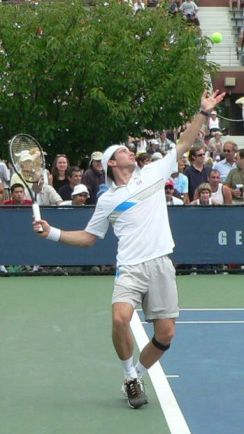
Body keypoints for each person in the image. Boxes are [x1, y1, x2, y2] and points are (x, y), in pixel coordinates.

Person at [33, 90, 225, 409]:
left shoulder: (154, 172)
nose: (130, 152)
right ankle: (130, 374)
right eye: (124, 150)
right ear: (112, 162)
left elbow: (185, 143)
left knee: (165, 335)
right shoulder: (107, 199)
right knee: (120, 318)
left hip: (161, 263)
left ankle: (133, 375)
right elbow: (90, 237)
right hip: (131, 268)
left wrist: (203, 113)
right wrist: (52, 232)